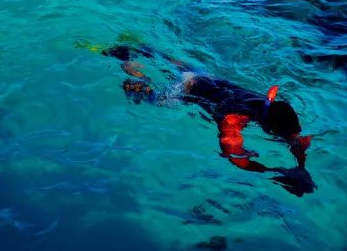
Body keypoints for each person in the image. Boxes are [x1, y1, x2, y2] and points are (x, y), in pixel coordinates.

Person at [102, 43, 317, 196]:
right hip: (188, 86)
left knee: (185, 68)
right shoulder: (234, 119)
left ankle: (146, 47)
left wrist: (301, 166)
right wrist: (275, 171)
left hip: (208, 78)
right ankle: (125, 59)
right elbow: (234, 157)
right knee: (154, 99)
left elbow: (296, 138)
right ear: (269, 127)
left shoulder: (269, 104)